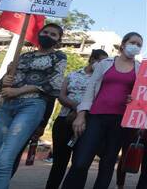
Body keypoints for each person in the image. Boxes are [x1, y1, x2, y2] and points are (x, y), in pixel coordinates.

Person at [0, 23, 67, 189]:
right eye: (45, 32)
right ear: (38, 34)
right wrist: (7, 76)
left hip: (31, 105)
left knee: (5, 157)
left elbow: (54, 84)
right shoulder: (23, 56)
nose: (48, 35)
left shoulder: (58, 57)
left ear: (58, 40)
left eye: (53, 34)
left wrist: (20, 91)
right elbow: (0, 88)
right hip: (7, 106)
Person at [62, 32, 143, 189]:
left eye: (139, 45)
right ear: (123, 44)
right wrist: (81, 114)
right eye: (133, 42)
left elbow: (142, 95)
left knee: (107, 164)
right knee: (80, 161)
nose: (136, 46)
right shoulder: (105, 64)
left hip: (120, 122)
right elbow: (90, 88)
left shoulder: (140, 69)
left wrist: (134, 100)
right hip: (96, 117)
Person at [45, 49, 109, 189]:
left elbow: (100, 101)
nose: (101, 65)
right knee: (59, 162)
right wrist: (76, 107)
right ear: (91, 59)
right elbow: (61, 95)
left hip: (87, 124)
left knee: (80, 164)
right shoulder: (73, 75)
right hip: (64, 120)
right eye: (99, 61)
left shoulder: (102, 81)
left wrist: (82, 112)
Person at [0, 98, 55, 189]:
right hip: (8, 107)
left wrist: (42, 124)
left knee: (9, 158)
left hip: (31, 111)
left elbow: (51, 94)